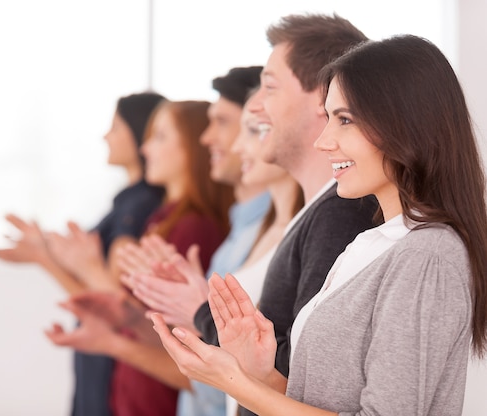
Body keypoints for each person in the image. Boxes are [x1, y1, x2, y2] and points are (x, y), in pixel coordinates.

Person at [153, 34, 487, 416]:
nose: (324, 141)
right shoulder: (369, 245)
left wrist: (236, 383)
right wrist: (258, 372)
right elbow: (315, 401)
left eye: (345, 119)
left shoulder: (428, 255)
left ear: (405, 123)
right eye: (328, 118)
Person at [45, 100, 233, 416]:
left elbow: (176, 336)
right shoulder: (163, 218)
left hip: (155, 396)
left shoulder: (193, 226)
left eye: (159, 137)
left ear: (191, 147)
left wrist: (83, 268)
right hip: (134, 390)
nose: (146, 149)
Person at [123, 89, 304, 416]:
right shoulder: (245, 230)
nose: (218, 141)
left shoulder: (202, 227)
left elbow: (258, 372)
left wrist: (197, 312)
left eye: (253, 129)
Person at [0, 91, 165, 416]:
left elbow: (112, 302)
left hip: (113, 361)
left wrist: (43, 258)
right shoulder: (130, 202)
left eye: (115, 127)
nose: (105, 136)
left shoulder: (138, 206)